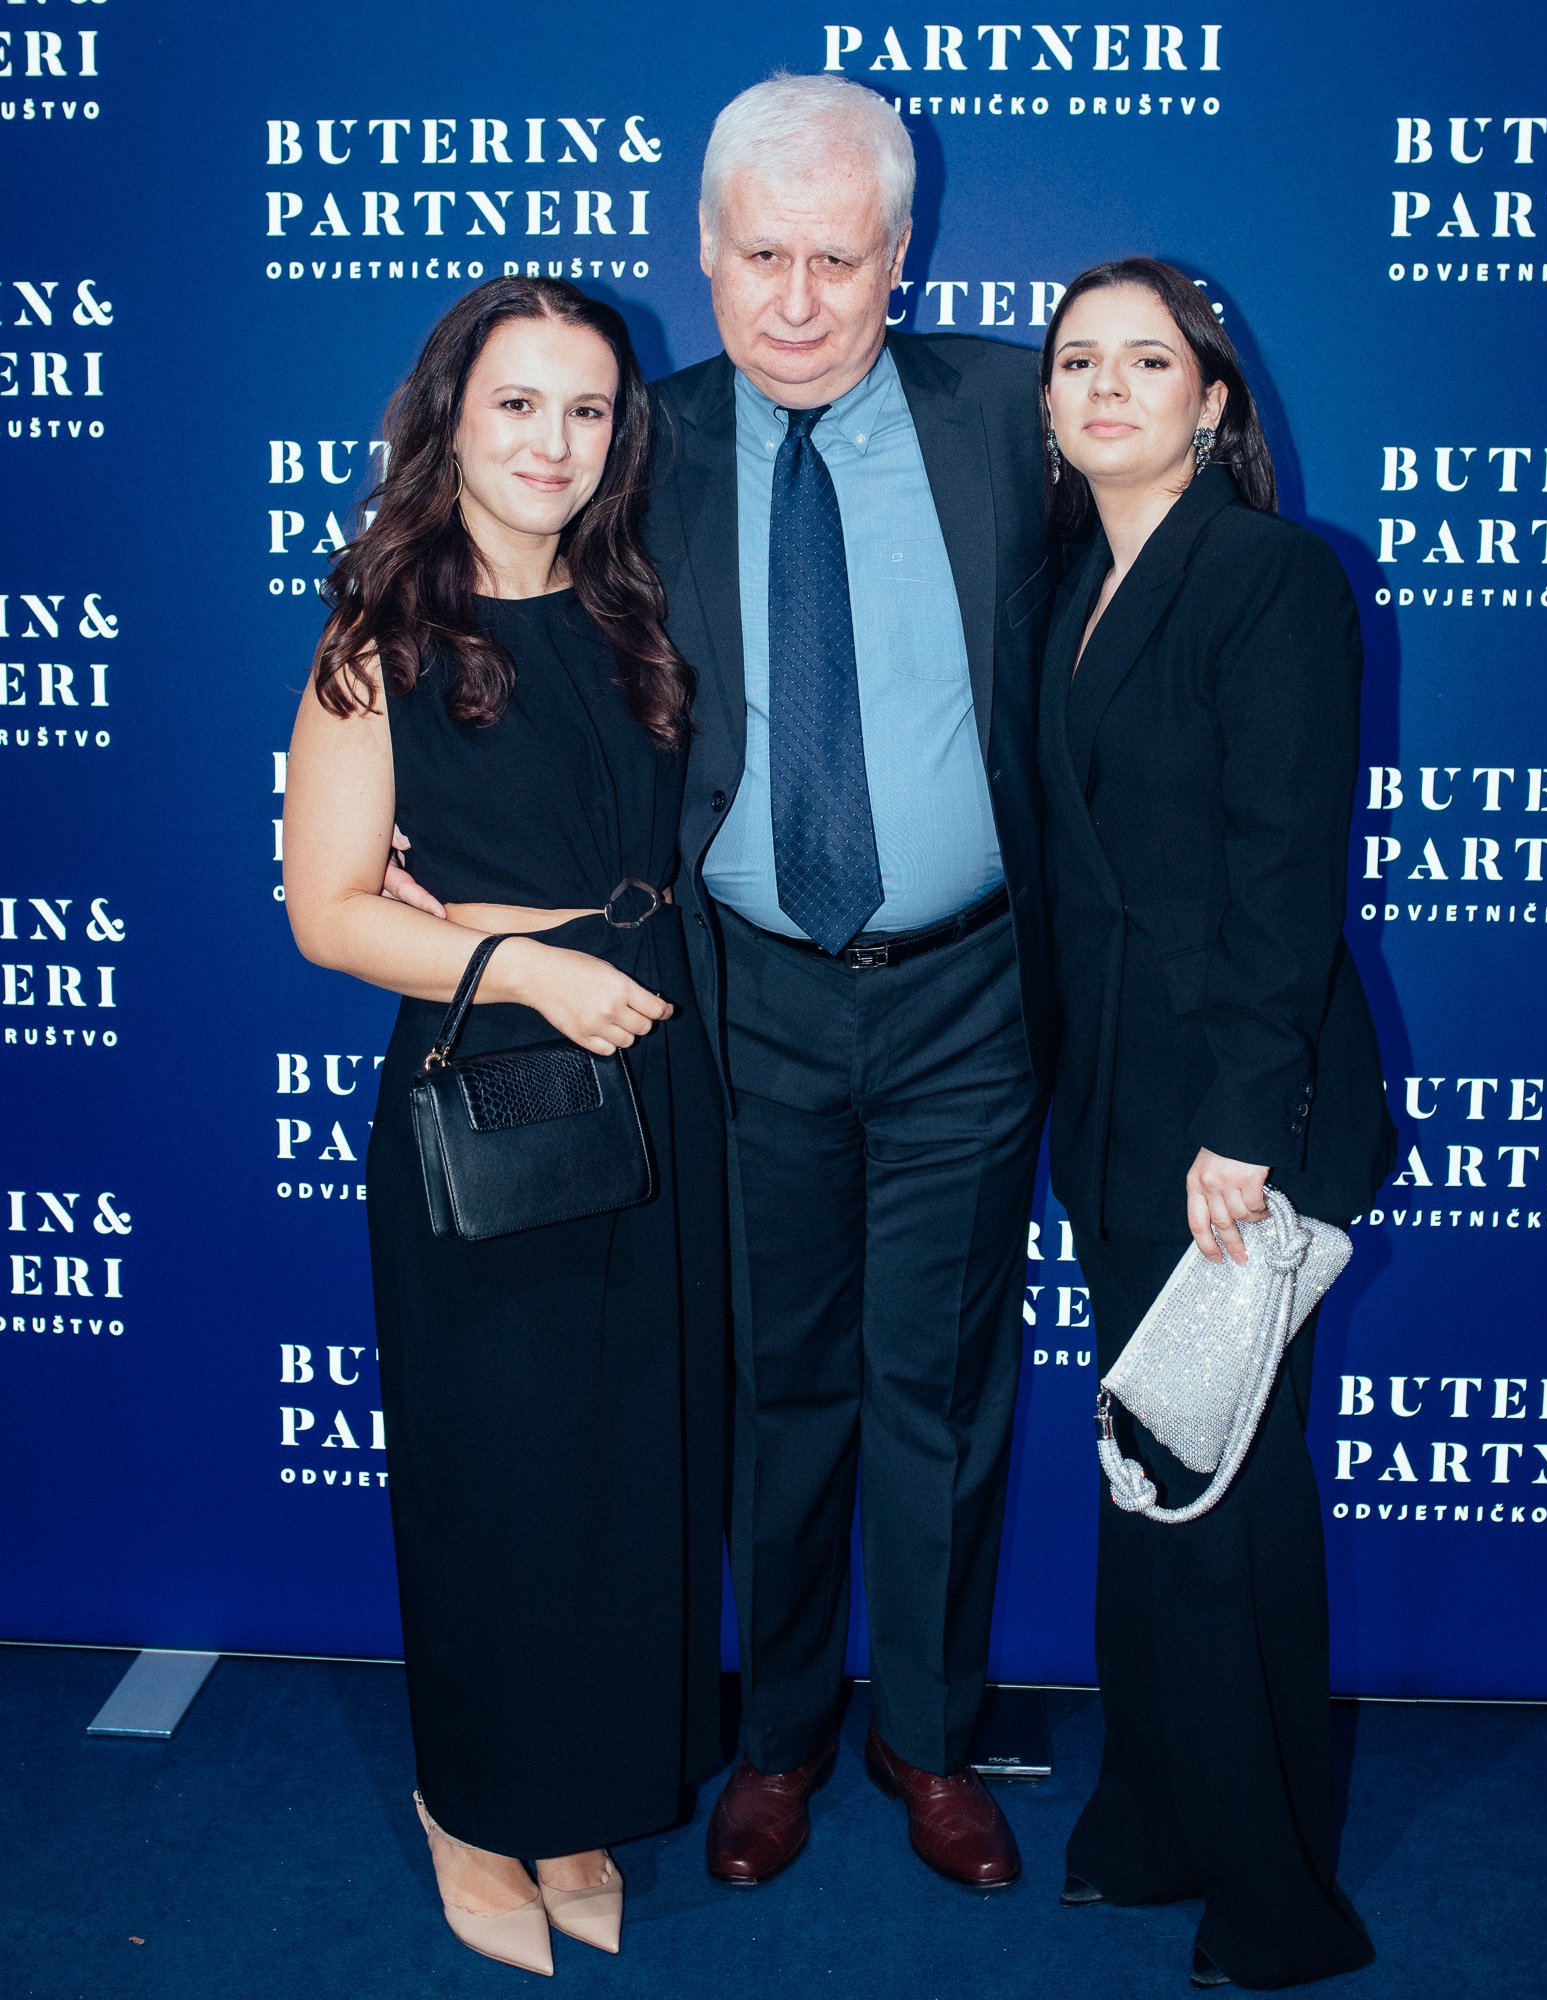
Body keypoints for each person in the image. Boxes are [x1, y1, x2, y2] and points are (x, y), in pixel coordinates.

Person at [282, 276, 726, 1976]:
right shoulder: (378, 639)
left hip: (658, 1071)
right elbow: (328, 911)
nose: (554, 441)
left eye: (587, 409)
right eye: (518, 404)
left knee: (627, 1469)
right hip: (492, 1086)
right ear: (449, 421)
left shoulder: (638, 611)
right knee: (498, 1476)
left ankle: (575, 1795)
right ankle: (472, 1809)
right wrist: (519, 963)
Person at [650, 73, 1059, 1891]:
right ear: (705, 252)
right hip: (746, 997)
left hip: (972, 997)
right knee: (777, 1381)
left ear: (905, 254)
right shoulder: (636, 444)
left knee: (942, 1384)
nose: (800, 301)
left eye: (840, 257)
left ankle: (936, 1738)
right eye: (763, 257)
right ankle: (782, 1737)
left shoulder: (1013, 419)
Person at [1036, 256, 1396, 1989]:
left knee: (1230, 1497)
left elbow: (1285, 874)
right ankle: (1157, 1818)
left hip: (1236, 1122)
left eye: (1147, 361)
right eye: (1077, 361)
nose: (1107, 386)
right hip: (1113, 1106)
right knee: (1149, 1473)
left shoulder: (1270, 578)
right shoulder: (1065, 589)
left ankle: (1273, 1892)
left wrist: (1241, 1127)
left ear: (1214, 402)